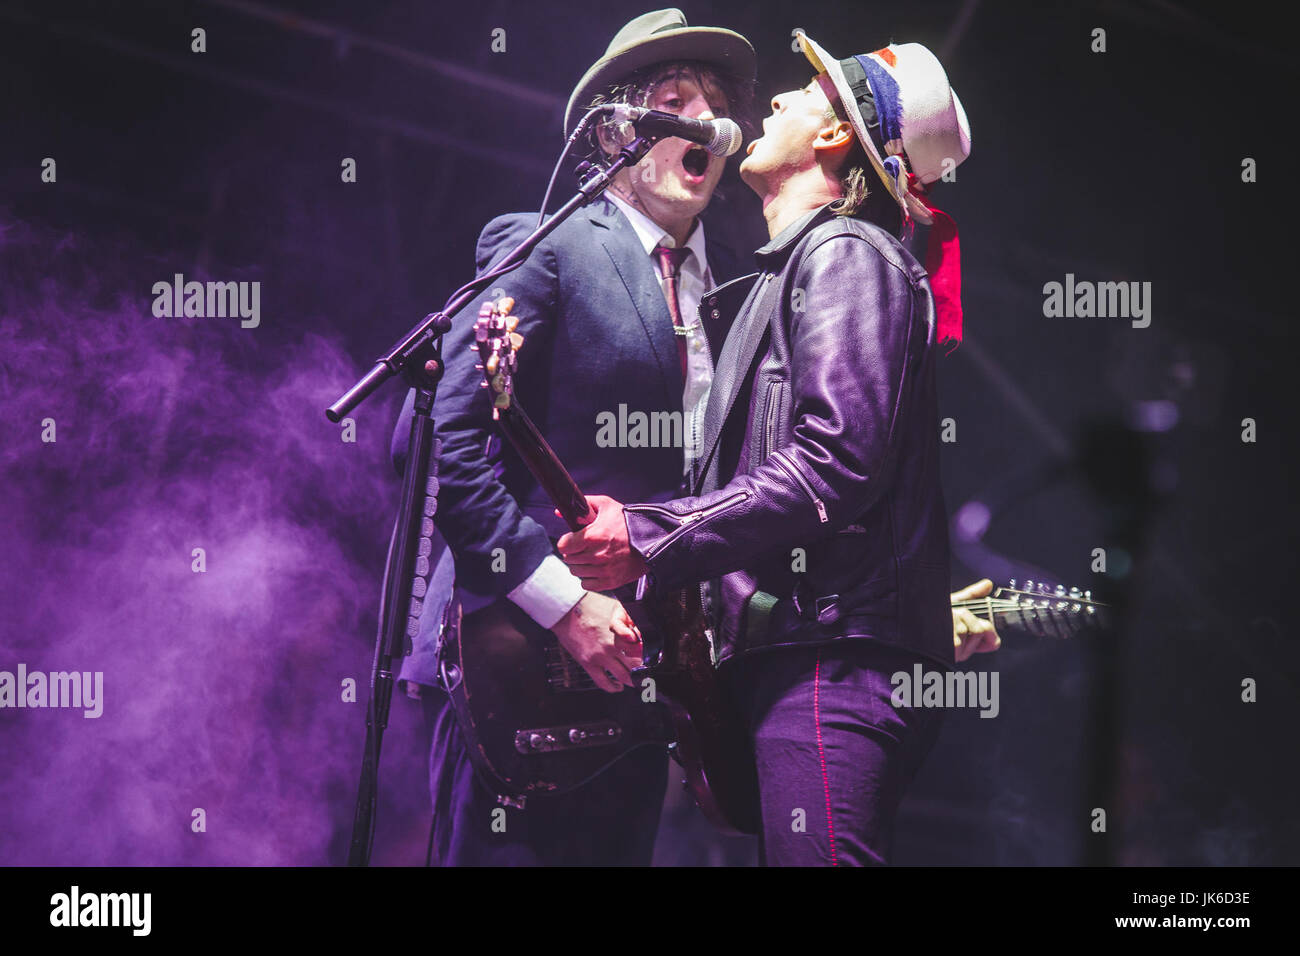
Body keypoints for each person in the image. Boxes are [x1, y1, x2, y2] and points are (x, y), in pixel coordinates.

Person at [558, 31, 976, 865]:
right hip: (802, 657)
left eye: (805, 93)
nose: (774, 100)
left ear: (831, 138)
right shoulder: (789, 274)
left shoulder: (847, 253)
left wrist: (648, 535)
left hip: (828, 662)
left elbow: (836, 464)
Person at [390, 9, 755, 866]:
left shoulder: (735, 288)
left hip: (640, 681)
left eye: (714, 107)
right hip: (519, 655)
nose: (703, 121)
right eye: (676, 102)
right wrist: (562, 601)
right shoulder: (546, 245)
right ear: (621, 133)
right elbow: (450, 447)